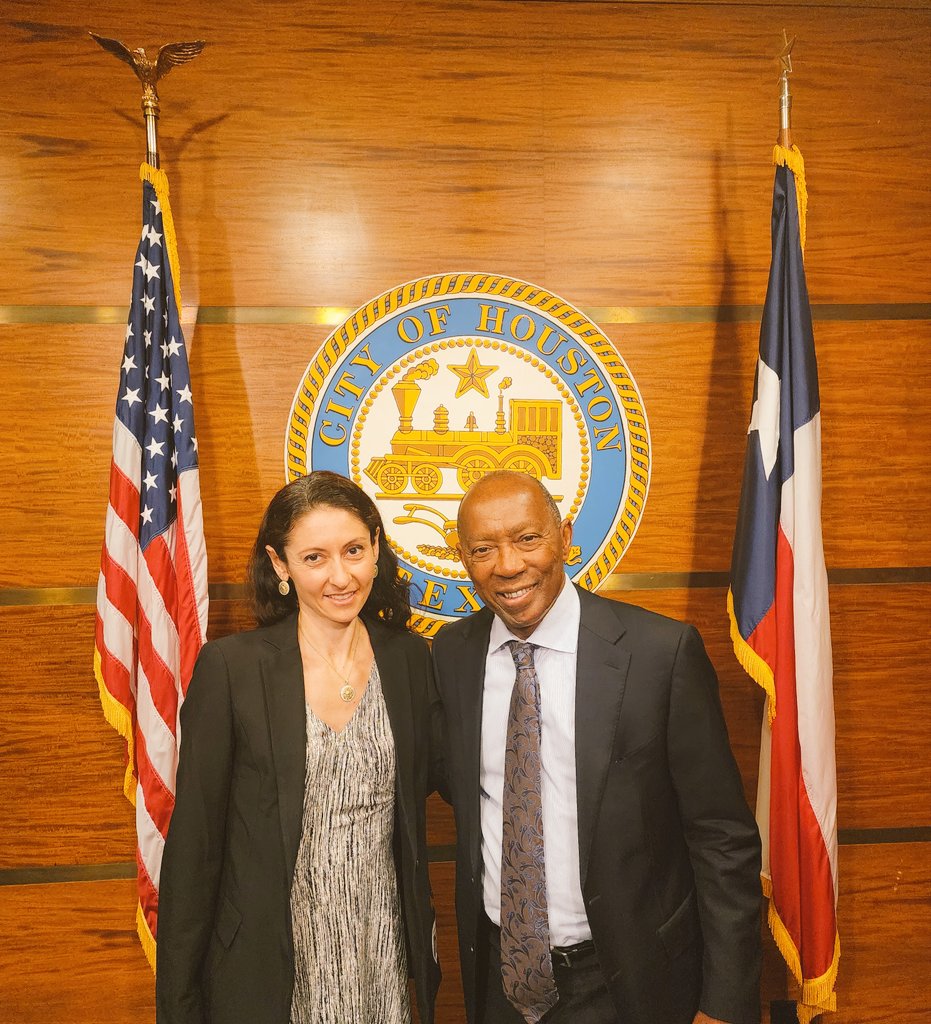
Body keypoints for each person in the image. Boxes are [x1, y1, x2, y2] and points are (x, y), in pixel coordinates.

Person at [432, 470, 762, 1024]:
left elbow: (721, 837)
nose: (508, 565)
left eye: (528, 539)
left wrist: (724, 1003)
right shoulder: (452, 655)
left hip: (627, 982)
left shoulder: (661, 654)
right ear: (461, 557)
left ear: (564, 535)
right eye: (484, 549)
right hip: (499, 982)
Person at [156, 471, 440, 1024]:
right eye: (315, 558)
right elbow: (195, 853)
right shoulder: (232, 669)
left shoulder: (410, 661)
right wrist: (179, 1008)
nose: (341, 576)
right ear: (280, 564)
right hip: (270, 970)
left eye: (354, 550)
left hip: (378, 959)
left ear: (377, 549)